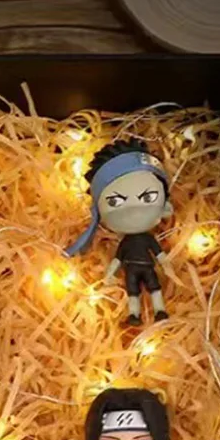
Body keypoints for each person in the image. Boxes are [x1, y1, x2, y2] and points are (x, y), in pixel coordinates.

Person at [65, 139, 173, 325]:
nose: (133, 210)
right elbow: (117, 259)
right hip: (131, 269)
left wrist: (167, 265)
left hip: (146, 267)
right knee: (133, 292)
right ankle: (134, 315)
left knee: (154, 288)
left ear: (166, 207)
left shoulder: (147, 239)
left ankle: (160, 310)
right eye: (115, 202)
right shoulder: (127, 243)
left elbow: (159, 254)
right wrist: (109, 274)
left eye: (148, 197)